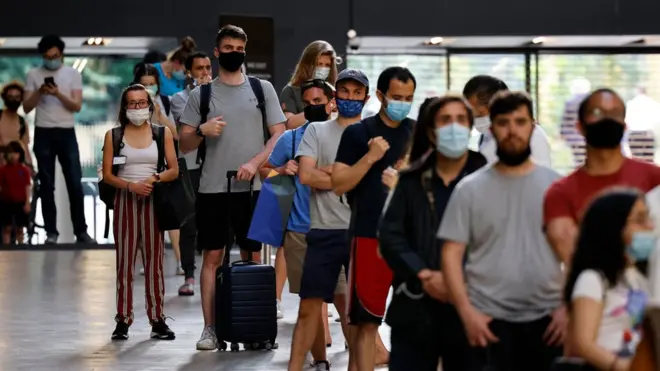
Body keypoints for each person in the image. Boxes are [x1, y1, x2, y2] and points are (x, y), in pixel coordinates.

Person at [178, 24, 286, 351]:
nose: (234, 52)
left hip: (252, 187)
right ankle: (210, 328)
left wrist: (255, 164)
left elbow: (279, 134)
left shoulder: (261, 88)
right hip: (213, 188)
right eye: (228, 47)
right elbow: (183, 143)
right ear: (216, 51)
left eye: (239, 47)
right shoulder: (202, 95)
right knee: (213, 255)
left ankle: (254, 324)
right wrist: (202, 130)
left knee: (254, 254)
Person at [440, 91, 564, 371]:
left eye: (520, 122)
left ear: (532, 126)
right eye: (504, 122)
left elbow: (577, 251)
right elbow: (450, 255)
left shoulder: (556, 188)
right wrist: (466, 313)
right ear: (491, 127)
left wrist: (568, 308)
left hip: (547, 321)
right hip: (486, 319)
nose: (512, 131)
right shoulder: (469, 189)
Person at [379, 95, 487, 371]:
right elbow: (390, 235)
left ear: (471, 127)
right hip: (416, 304)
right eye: (445, 120)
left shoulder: (488, 178)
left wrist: (457, 280)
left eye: (461, 120)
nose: (454, 127)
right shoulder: (411, 180)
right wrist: (424, 275)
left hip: (475, 308)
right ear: (431, 131)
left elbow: (499, 238)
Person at [332, 66, 417, 369]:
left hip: (411, 242)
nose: (402, 103)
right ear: (380, 96)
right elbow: (338, 184)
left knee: (417, 325)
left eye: (408, 98)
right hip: (369, 237)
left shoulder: (418, 134)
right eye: (396, 97)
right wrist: (370, 158)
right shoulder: (359, 133)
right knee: (366, 324)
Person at [289, 71, 368, 371]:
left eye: (356, 92)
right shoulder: (316, 132)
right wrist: (353, 176)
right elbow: (306, 175)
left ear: (366, 98)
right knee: (309, 308)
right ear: (336, 98)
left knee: (357, 314)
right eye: (344, 91)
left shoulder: (373, 134)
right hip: (323, 231)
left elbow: (377, 184)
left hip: (361, 233)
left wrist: (331, 174)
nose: (350, 97)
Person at [544, 88, 660, 265]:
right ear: (579, 127)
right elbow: (573, 259)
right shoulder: (560, 193)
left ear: (625, 125)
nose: (607, 119)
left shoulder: (655, 178)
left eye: (615, 113)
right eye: (597, 113)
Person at [101, 84, 178, 341]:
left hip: (153, 200)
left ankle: (157, 319)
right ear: (124, 107)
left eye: (141, 102)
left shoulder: (161, 133)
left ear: (149, 105)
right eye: (132, 103)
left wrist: (153, 179)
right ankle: (123, 320)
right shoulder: (114, 135)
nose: (137, 107)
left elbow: (174, 170)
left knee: (154, 263)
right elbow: (108, 175)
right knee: (125, 264)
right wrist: (131, 186)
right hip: (125, 200)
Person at [263, 79, 339, 323]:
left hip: (337, 226)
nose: (313, 107)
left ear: (331, 103)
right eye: (307, 103)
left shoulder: (347, 135)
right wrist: (283, 169)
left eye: (318, 101)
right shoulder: (291, 139)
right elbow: (265, 170)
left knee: (341, 293)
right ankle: (316, 357)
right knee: (309, 300)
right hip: (299, 227)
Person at [560, 188, 651, 371]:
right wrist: (621, 367)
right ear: (614, 227)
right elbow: (584, 343)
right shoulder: (592, 279)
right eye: (640, 220)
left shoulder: (637, 277)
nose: (650, 226)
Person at [22, 34, 94, 245]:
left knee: (74, 183)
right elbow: (27, 107)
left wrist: (57, 93)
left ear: (61, 54)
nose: (50, 59)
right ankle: (51, 233)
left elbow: (77, 106)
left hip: (66, 131)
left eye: (54, 56)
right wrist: (39, 91)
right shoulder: (33, 74)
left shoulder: (72, 74)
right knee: (46, 185)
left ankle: (81, 231)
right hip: (43, 131)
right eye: (46, 56)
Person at [170, 51, 213, 296]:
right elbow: (190, 125)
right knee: (189, 221)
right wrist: (202, 95)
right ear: (189, 72)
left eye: (208, 67)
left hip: (214, 163)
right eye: (199, 68)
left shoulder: (220, 94)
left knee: (215, 221)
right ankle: (189, 275)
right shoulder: (179, 98)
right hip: (190, 166)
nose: (205, 73)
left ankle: (216, 272)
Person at [133, 63, 181, 275]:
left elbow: (177, 134)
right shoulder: (130, 106)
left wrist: (160, 116)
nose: (148, 89)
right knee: (145, 217)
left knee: (172, 216)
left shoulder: (167, 103)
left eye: (151, 85)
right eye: (144, 85)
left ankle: (181, 262)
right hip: (139, 165)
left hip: (164, 164)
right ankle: (151, 262)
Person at [462, 75, 552, 167]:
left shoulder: (533, 135)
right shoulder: (487, 135)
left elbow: (541, 176)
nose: (474, 119)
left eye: (479, 114)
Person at [281, 41, 339, 130]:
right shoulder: (291, 91)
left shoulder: (334, 91)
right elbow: (289, 124)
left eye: (327, 65)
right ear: (307, 64)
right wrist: (323, 110)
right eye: (319, 64)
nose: (323, 68)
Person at [0, 141, 32, 245]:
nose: (13, 156)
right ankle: (6, 247)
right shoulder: (3, 170)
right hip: (6, 202)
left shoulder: (24, 170)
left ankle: (21, 246)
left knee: (20, 227)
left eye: (15, 153)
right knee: (7, 227)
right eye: (10, 153)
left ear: (20, 154)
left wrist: (27, 202)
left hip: (21, 202)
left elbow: (27, 186)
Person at [0, 82, 32, 166]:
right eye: (10, 97)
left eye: (17, 97)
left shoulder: (22, 122)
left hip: (13, 169)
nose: (14, 100)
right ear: (4, 98)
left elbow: (25, 149)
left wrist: (31, 168)